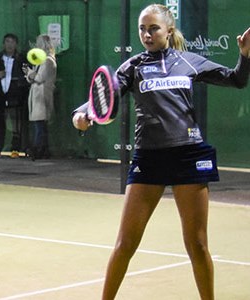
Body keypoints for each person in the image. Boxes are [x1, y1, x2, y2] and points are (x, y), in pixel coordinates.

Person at [72, 4, 250, 299]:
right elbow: (103, 94)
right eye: (142, 28)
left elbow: (237, 79)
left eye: (153, 28)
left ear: (169, 30)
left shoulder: (190, 62)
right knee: (125, 244)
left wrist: (245, 57)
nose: (146, 34)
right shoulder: (132, 66)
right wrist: (81, 114)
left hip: (188, 156)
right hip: (149, 158)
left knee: (198, 244)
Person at [0, 33, 30, 159]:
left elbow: (27, 76)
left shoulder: (21, 59)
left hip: (16, 96)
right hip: (0, 96)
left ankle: (15, 148)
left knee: (16, 123)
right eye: (7, 42)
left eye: (12, 42)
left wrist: (19, 86)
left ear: (16, 44)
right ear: (3, 44)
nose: (9, 45)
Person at [24, 34, 57, 160]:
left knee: (40, 125)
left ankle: (38, 149)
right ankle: (42, 149)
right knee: (40, 125)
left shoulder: (48, 60)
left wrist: (30, 73)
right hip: (38, 94)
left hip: (42, 95)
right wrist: (30, 74)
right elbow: (33, 78)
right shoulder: (42, 60)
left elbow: (39, 78)